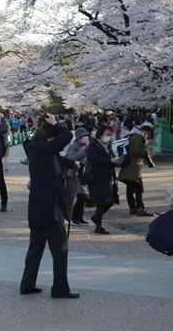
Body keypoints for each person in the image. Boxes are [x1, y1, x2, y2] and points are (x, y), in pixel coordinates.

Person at [20, 113, 80, 299]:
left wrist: (73, 162)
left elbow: (57, 159)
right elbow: (68, 136)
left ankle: (27, 284)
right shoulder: (45, 149)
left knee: (36, 248)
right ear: (51, 136)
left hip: (37, 205)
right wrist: (56, 124)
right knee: (60, 250)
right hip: (51, 206)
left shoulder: (36, 148)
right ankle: (60, 288)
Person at [87, 125, 123, 235]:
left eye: (110, 134)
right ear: (100, 133)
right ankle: (99, 225)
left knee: (110, 200)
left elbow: (110, 159)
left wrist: (117, 161)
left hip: (108, 176)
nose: (109, 136)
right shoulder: (94, 144)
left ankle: (97, 218)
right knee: (101, 201)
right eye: (107, 134)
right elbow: (94, 159)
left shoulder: (108, 145)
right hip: (98, 176)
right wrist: (110, 160)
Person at [118, 126, 155, 217]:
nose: (147, 138)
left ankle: (132, 208)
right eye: (148, 136)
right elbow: (137, 151)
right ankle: (140, 208)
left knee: (130, 189)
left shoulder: (131, 136)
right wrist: (146, 152)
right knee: (139, 189)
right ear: (146, 132)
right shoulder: (139, 137)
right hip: (133, 167)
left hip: (127, 167)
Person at [65, 127, 90, 226]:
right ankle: (73, 217)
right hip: (73, 174)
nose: (86, 138)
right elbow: (71, 158)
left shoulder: (87, 145)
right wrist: (83, 149)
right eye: (84, 137)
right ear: (79, 138)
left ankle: (79, 217)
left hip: (83, 173)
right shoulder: (74, 146)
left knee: (83, 195)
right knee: (81, 194)